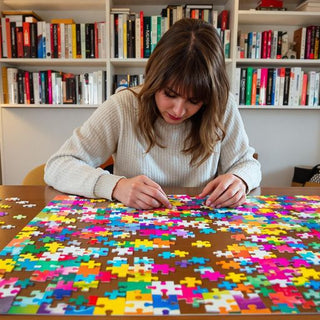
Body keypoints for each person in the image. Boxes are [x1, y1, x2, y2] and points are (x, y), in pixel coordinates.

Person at [44, 18, 261, 210]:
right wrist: (115, 186)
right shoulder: (124, 105)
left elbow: (248, 164)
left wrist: (239, 180)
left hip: (199, 224)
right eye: (170, 94)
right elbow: (58, 166)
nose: (178, 110)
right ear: (154, 79)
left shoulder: (222, 106)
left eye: (194, 100)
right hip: (130, 228)